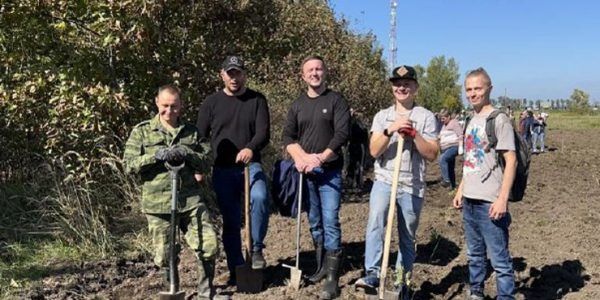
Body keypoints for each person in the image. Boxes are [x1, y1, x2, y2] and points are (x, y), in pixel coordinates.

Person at [124, 85, 218, 299]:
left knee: (208, 245)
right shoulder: (142, 131)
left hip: (190, 201)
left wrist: (188, 153)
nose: (169, 111)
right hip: (158, 205)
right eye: (165, 106)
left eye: (174, 106)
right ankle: (172, 290)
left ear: (181, 105)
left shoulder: (191, 132)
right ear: (157, 103)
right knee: (165, 255)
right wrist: (155, 156)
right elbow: (128, 165)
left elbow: (206, 162)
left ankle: (205, 292)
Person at [355, 65, 439, 298]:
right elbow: (373, 150)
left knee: (407, 236)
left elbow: (432, 154)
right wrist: (390, 129)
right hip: (384, 180)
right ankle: (372, 273)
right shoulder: (382, 116)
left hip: (411, 184)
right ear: (392, 88)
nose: (402, 88)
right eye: (397, 84)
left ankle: (403, 281)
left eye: (407, 84)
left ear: (415, 88)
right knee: (376, 224)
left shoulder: (425, 117)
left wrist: (415, 135)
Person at [196, 56, 271, 285]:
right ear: (222, 75)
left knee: (259, 197)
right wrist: (199, 165)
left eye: (237, 73)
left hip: (251, 166)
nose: (234, 78)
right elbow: (199, 136)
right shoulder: (211, 103)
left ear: (244, 74)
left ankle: (256, 249)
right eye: (230, 73)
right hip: (223, 169)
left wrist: (250, 148)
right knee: (230, 221)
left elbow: (263, 132)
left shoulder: (257, 100)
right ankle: (236, 267)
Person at [283, 55, 350, 299]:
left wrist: (320, 158)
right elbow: (288, 138)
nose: (314, 73)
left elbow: (342, 133)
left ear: (325, 72)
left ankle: (332, 277)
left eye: (318, 69)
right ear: (303, 76)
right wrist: (301, 158)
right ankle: (321, 266)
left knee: (330, 219)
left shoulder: (336, 101)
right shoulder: (298, 105)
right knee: (314, 220)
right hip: (306, 173)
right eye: (310, 70)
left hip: (329, 171)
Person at [452, 68, 517, 300]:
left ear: (489, 88)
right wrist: (461, 189)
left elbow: (511, 160)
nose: (472, 93)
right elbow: (470, 160)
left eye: (477, 88)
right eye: (468, 89)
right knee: (474, 254)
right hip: (470, 199)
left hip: (490, 201)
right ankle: (476, 293)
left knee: (500, 260)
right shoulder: (470, 119)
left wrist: (502, 199)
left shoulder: (499, 120)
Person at [438, 109, 463, 190]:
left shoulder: (454, 123)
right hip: (445, 148)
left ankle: (446, 180)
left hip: (453, 146)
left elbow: (460, 134)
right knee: (450, 167)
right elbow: (442, 136)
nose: (442, 120)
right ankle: (453, 186)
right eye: (441, 118)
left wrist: (460, 146)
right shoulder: (443, 125)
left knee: (442, 159)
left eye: (443, 118)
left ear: (448, 117)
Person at [346, 108, 369, 190]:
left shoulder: (361, 125)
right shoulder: (353, 125)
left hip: (359, 146)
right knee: (352, 164)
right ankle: (351, 182)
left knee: (359, 165)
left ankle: (358, 183)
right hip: (354, 146)